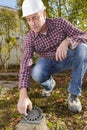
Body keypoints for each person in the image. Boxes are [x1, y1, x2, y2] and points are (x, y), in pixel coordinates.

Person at [17, 0, 87, 115]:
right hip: (48, 62)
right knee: (36, 72)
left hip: (67, 57)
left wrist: (67, 41)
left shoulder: (60, 23)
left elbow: (84, 35)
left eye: (35, 17)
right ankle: (49, 85)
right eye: (28, 19)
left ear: (44, 14)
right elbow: (25, 62)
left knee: (83, 49)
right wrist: (23, 95)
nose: (32, 24)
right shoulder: (29, 38)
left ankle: (73, 96)